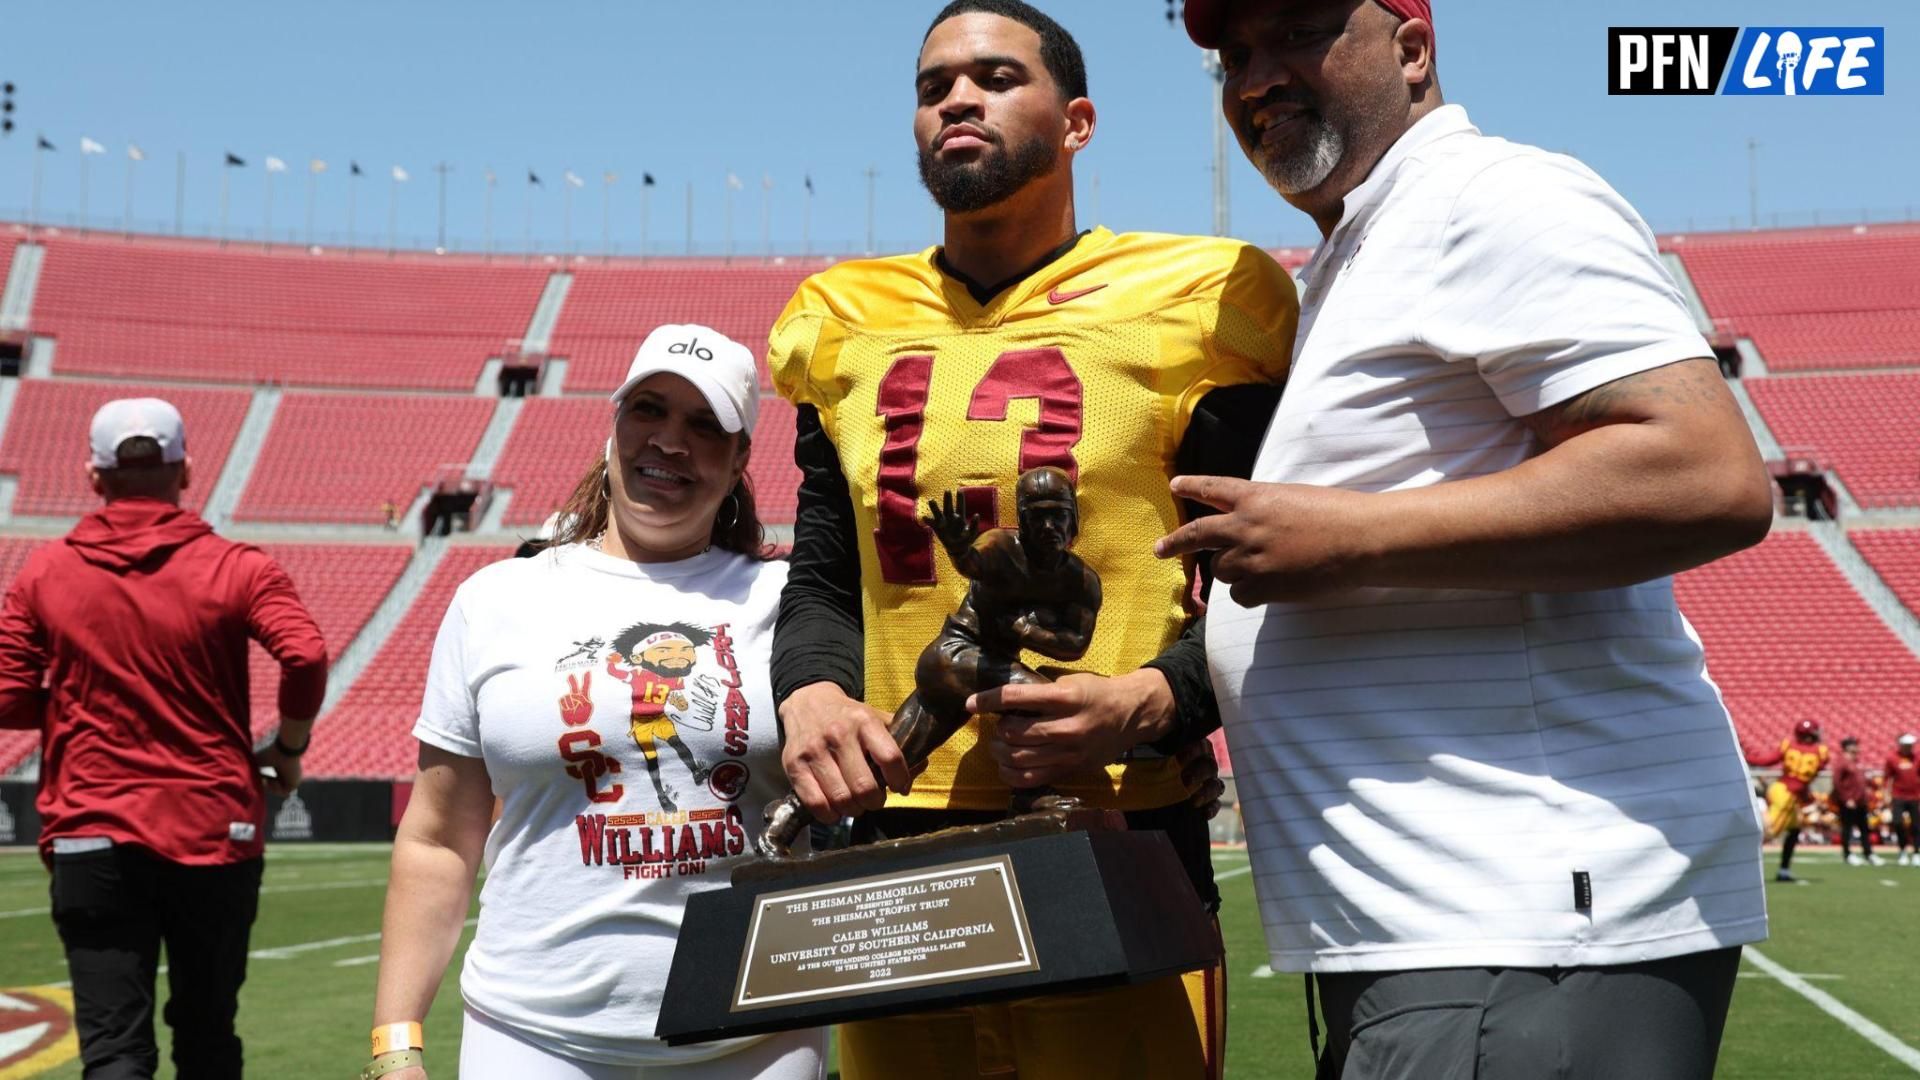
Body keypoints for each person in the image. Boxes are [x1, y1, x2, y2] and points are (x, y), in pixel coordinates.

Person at [1169, 1, 1774, 1075]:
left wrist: (1349, 537)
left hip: (1524, 922)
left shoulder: (1494, 197)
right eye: (1233, 53)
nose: (1256, 76)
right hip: (1456, 921)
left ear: (1411, 46)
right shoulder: (1369, 246)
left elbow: (1703, 472)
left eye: (1299, 30)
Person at [767, 3, 1294, 1076]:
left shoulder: (1201, 296)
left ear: (1078, 121)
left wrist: (1161, 703)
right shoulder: (841, 313)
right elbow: (826, 569)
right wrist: (811, 691)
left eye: (997, 76)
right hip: (893, 834)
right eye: (932, 87)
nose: (957, 98)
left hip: (1116, 822)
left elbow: (1261, 578)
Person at [367, 326, 822, 1080]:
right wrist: (395, 1045)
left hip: (753, 1037)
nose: (669, 441)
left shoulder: (795, 600)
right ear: (613, 426)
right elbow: (439, 839)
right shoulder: (497, 599)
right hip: (531, 1035)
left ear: (741, 458)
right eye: (649, 410)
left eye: (704, 424)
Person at [0, 397, 327, 1080]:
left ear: (94, 476)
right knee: (208, 1035)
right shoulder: (238, 566)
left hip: (92, 831)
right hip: (214, 829)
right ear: (184, 472)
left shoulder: (44, 572)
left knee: (115, 1050)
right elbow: (302, 655)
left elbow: (4, 694)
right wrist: (287, 751)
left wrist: (79, 701)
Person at [1747, 720, 1830, 882]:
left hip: (1783, 791)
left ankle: (1784, 870)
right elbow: (1804, 779)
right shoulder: (1821, 752)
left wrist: (1748, 756)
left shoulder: (1788, 745)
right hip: (1786, 795)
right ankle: (1737, 866)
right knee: (1768, 834)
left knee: (1794, 829)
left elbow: (1766, 761)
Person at [1833, 735, 1878, 866]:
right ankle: (1847, 854)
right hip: (1849, 802)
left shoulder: (1857, 762)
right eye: (1854, 745)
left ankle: (1868, 853)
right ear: (1847, 748)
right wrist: (1846, 798)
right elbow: (1837, 782)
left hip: (1860, 802)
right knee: (1847, 828)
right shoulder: (1842, 762)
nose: (1858, 748)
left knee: (1864, 829)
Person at [1886, 733, 1920, 865]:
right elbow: (1887, 777)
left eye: (1911, 745)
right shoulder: (1892, 758)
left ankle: (1916, 852)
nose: (1909, 747)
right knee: (1897, 822)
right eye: (1907, 745)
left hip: (1914, 797)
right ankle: (1902, 850)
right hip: (1898, 796)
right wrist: (1887, 794)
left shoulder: (1917, 758)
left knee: (1916, 825)